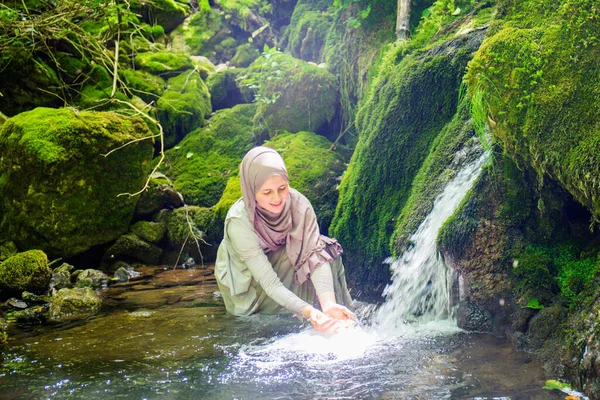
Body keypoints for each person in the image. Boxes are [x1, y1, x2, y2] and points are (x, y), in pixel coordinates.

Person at [215, 146, 356, 333]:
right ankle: (306, 318)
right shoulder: (239, 222)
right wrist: (308, 311)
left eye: (282, 188)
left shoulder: (299, 204)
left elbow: (316, 256)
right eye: (267, 193)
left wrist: (328, 304)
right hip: (251, 282)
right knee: (294, 257)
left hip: (283, 261)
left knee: (327, 249)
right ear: (251, 191)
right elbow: (270, 283)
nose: (277, 198)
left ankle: (333, 319)